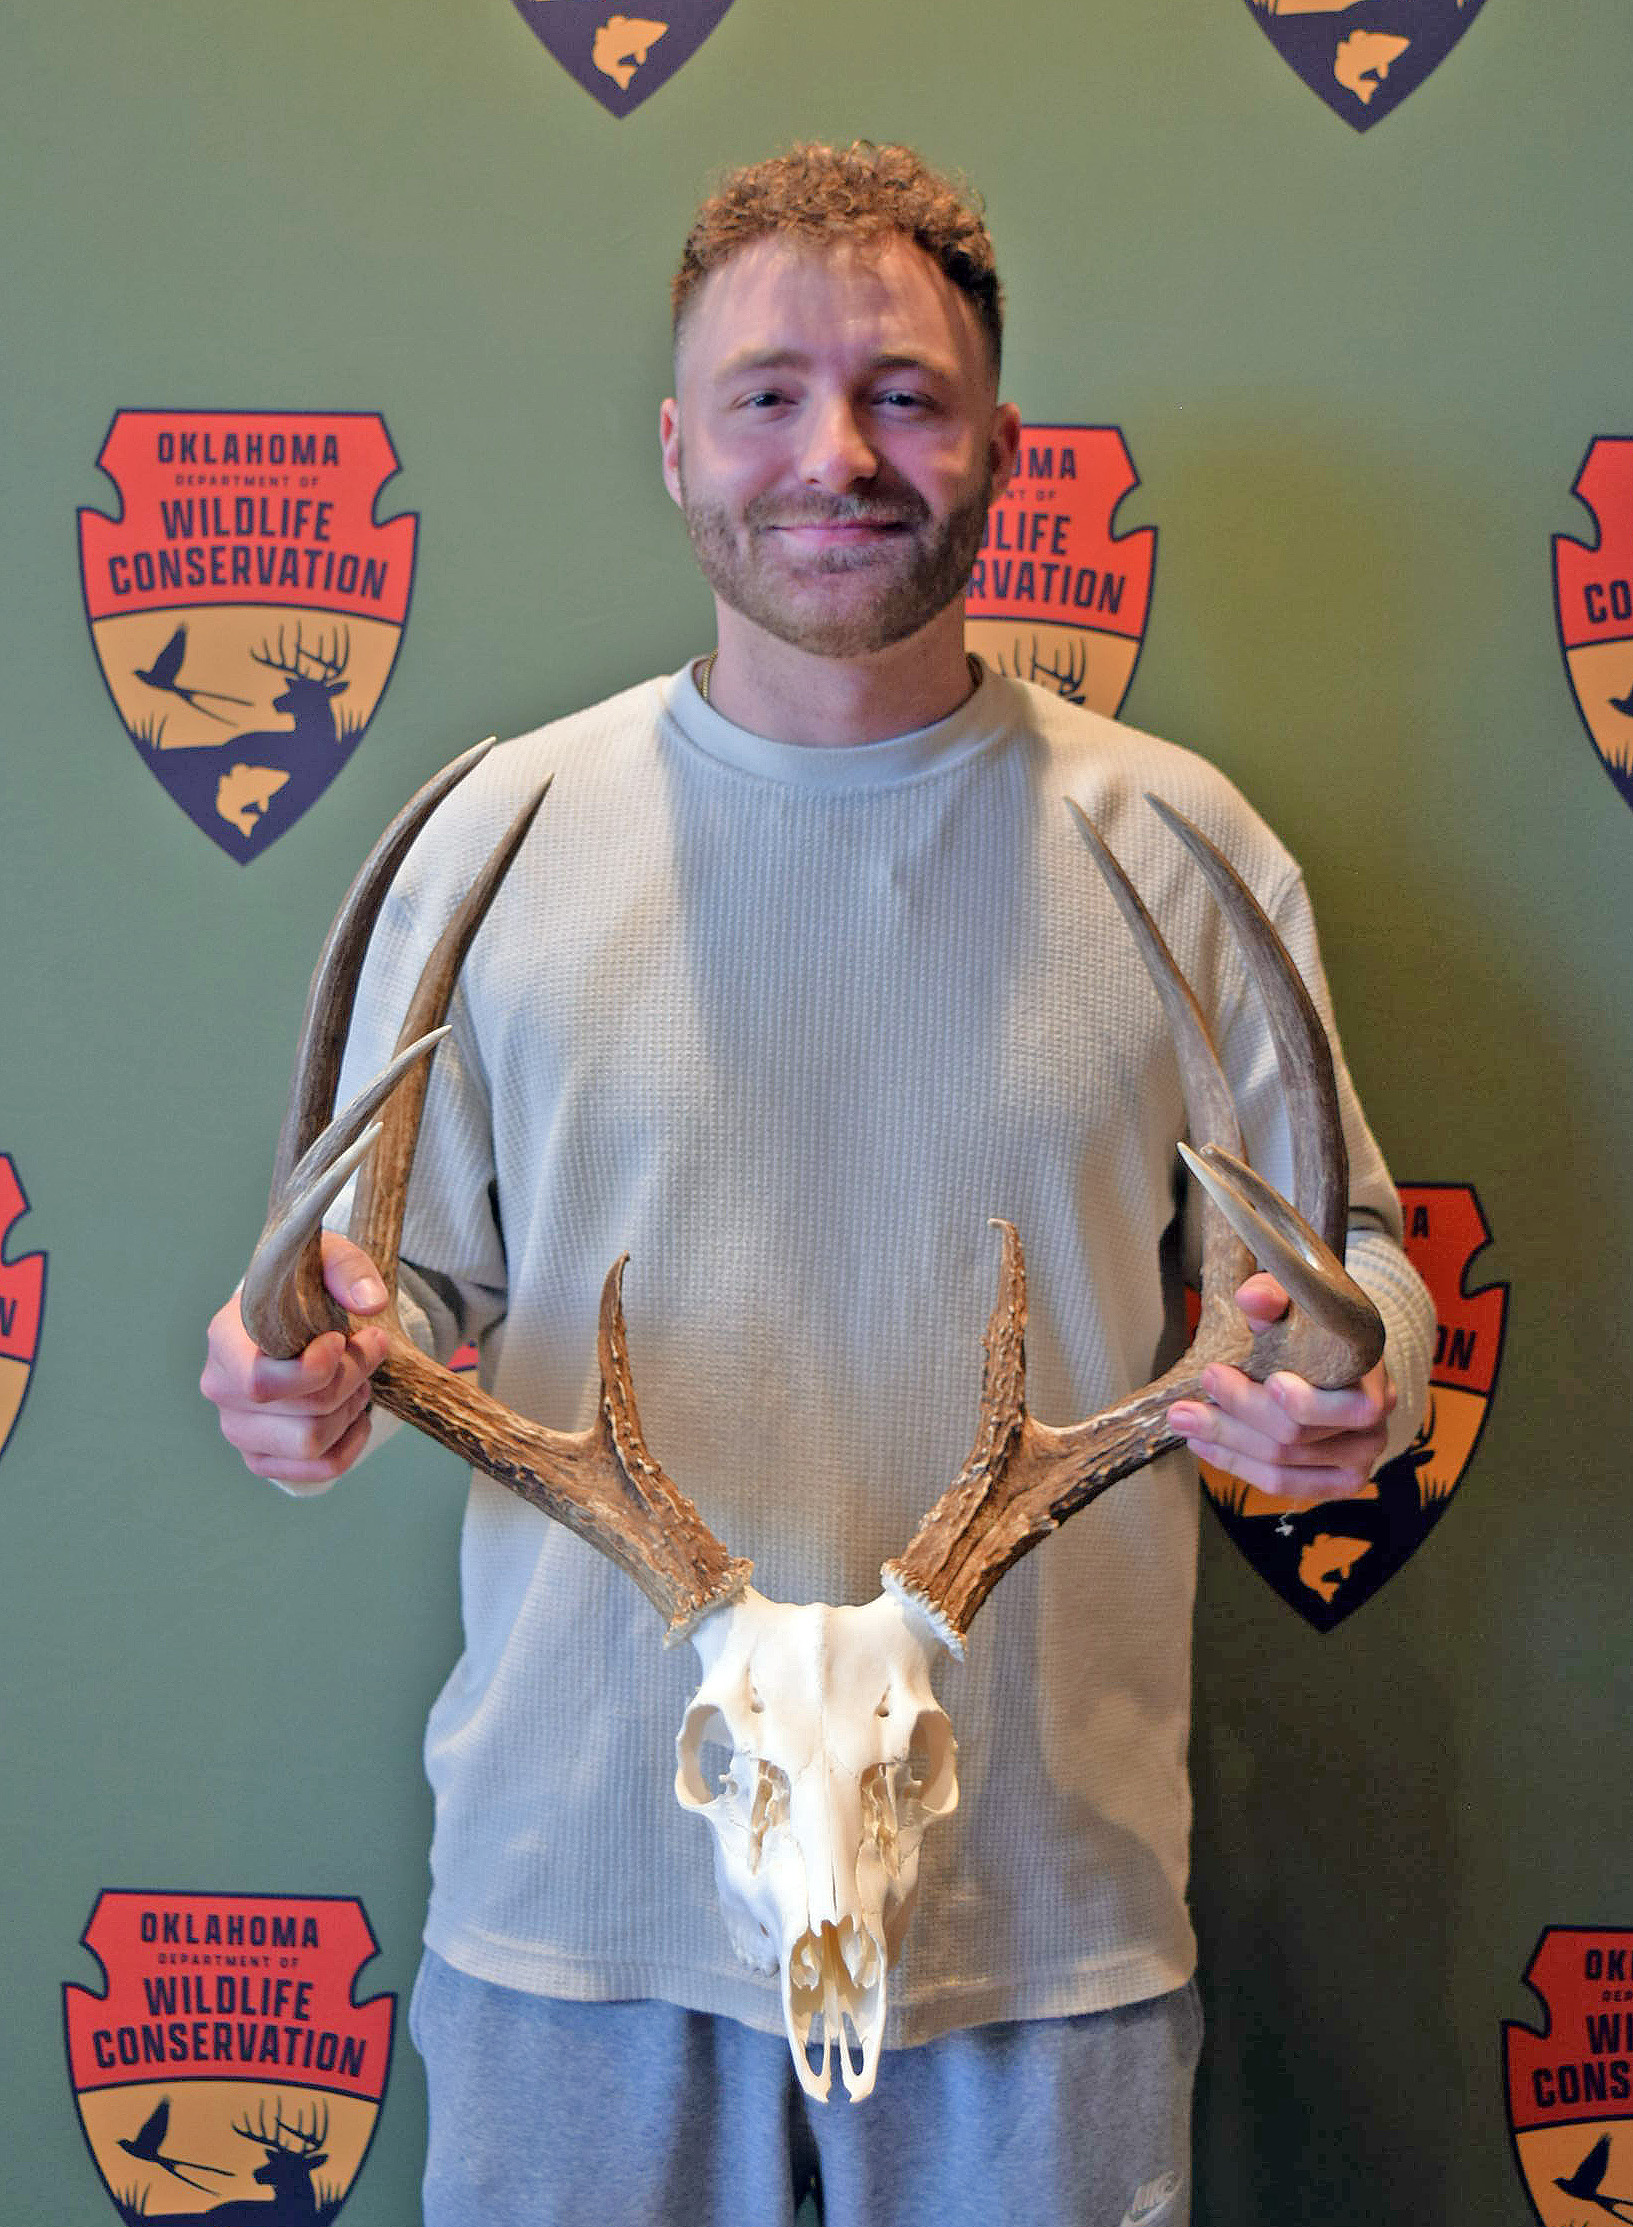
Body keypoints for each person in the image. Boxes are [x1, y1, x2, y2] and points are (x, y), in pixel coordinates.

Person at [202, 142, 1433, 2227]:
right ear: (679, 443)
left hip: (1038, 1924)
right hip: (578, 1914)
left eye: (905, 396)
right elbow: (365, 1291)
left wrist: (1350, 1377)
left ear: (997, 450)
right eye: (768, 393)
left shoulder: (1173, 849)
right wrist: (295, 1370)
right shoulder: (494, 839)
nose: (835, 452)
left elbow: (1355, 1276)